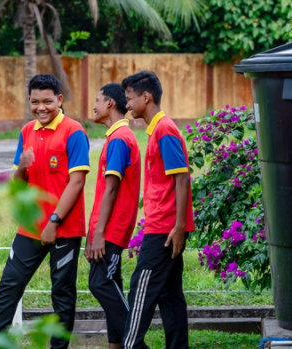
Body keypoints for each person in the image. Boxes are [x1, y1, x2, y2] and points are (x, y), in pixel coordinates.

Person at [0, 74, 90, 349]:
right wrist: (22, 166)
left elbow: (77, 181)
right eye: (35, 102)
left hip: (64, 228)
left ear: (59, 99)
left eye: (47, 101)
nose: (41, 107)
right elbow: (19, 184)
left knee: (62, 293)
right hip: (31, 226)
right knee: (9, 285)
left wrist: (54, 221)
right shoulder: (27, 132)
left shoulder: (74, 131)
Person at [120, 71, 195, 349]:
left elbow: (182, 176)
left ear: (146, 97)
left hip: (163, 229)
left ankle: (131, 345)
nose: (127, 104)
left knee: (141, 288)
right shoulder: (157, 129)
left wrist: (177, 227)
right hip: (164, 226)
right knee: (169, 295)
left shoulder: (164, 129)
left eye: (129, 98)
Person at [85, 83, 141, 349]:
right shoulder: (116, 137)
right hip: (107, 229)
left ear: (109, 104)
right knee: (111, 284)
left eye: (97, 100)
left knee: (100, 283)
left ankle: (136, 343)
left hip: (112, 231)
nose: (93, 106)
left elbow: (111, 190)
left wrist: (98, 235)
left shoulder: (119, 140)